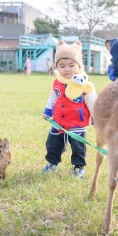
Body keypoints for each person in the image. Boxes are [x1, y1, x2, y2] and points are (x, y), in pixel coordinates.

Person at [42, 41, 97, 179]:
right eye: (62, 66)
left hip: (77, 123)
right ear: (57, 67)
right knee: (53, 143)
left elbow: (92, 102)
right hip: (58, 121)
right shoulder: (57, 82)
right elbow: (53, 97)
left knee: (78, 147)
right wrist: (47, 111)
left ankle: (79, 167)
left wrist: (96, 119)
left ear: (79, 65)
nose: (67, 69)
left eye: (71, 65)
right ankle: (52, 163)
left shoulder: (86, 84)